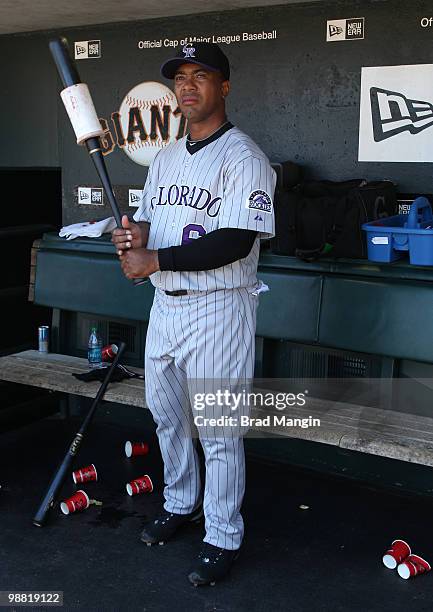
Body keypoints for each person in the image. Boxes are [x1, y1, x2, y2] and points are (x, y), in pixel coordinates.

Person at [112, 42, 276, 586]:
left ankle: (222, 533)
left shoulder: (244, 157)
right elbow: (148, 224)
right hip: (166, 307)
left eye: (200, 76)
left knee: (219, 431)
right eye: (180, 77)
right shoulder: (165, 158)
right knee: (168, 418)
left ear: (223, 87)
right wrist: (134, 235)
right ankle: (180, 502)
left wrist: (153, 255)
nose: (187, 86)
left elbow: (234, 240)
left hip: (220, 309)